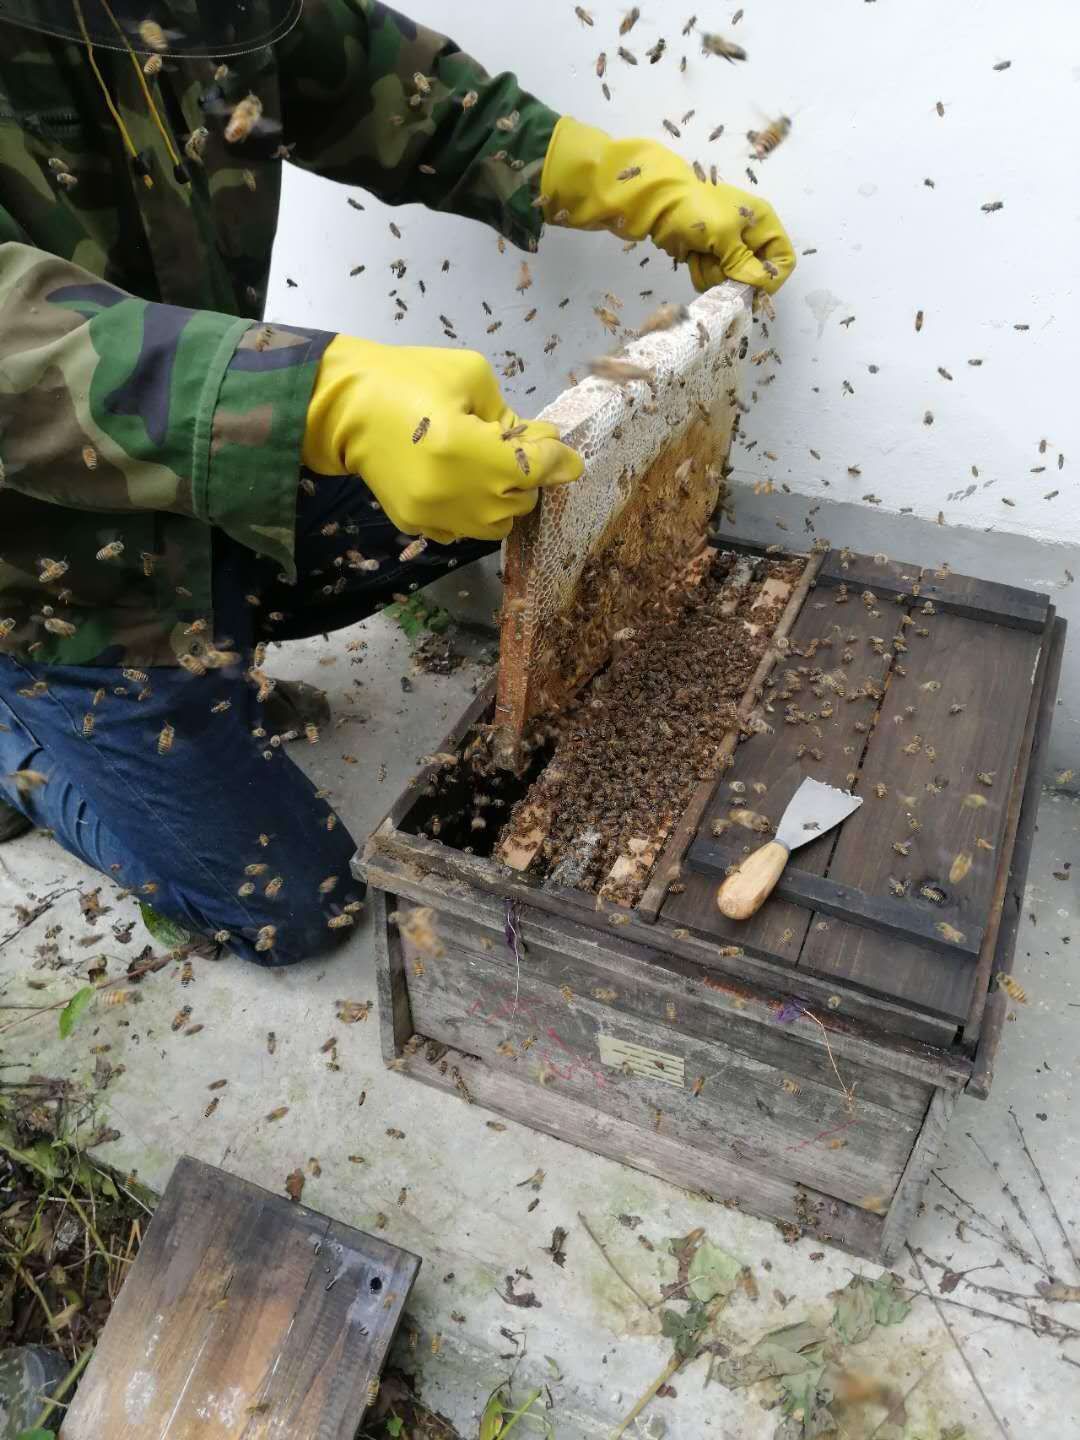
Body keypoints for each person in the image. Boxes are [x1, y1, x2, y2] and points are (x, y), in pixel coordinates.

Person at [0, 0, 794, 966]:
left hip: (208, 486)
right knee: (296, 912)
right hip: (54, 579)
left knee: (525, 478)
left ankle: (215, 657)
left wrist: (603, 174)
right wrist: (318, 399)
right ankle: (23, 746)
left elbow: (367, 72)